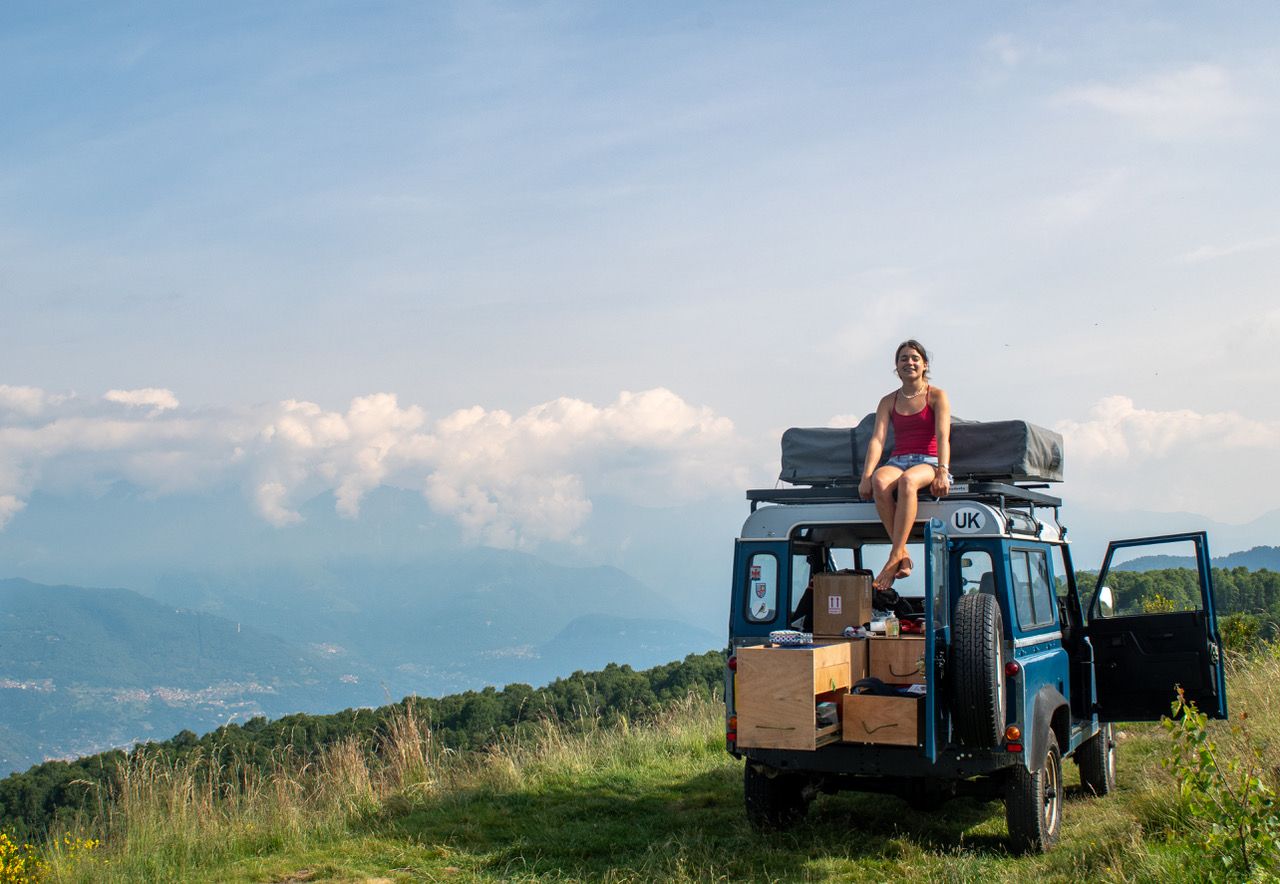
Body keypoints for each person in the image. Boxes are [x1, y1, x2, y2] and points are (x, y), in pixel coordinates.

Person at [857, 340, 951, 590]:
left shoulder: (937, 395)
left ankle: (893, 558)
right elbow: (877, 440)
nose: (909, 362)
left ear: (924, 365)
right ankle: (903, 553)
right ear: (896, 367)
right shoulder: (888, 400)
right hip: (899, 459)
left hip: (928, 461)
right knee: (879, 480)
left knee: (909, 481)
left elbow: (943, 436)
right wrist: (865, 476)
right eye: (903, 359)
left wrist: (943, 471)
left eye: (914, 358)